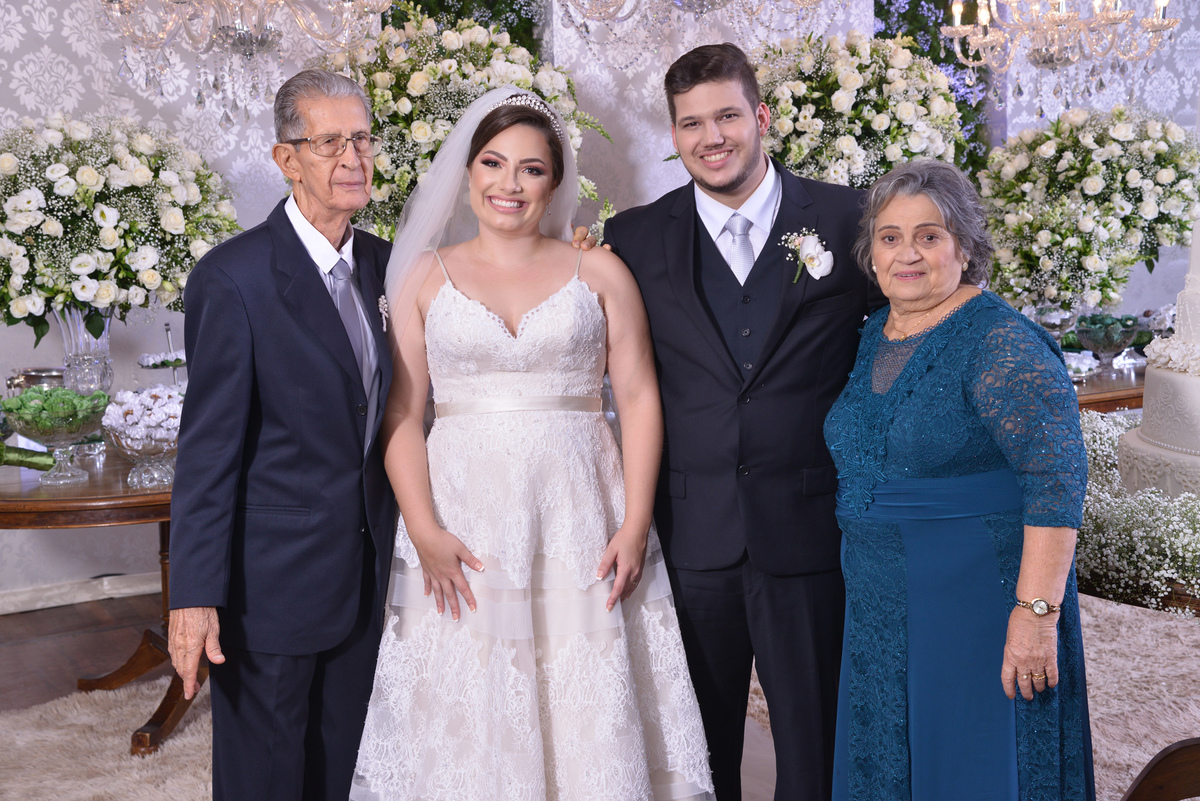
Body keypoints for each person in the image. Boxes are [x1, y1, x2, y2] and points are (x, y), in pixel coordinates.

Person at [349, 86, 714, 801]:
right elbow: (400, 410)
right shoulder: (424, 276)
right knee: (471, 692)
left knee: (585, 689)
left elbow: (638, 398)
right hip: (465, 517)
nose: (509, 184)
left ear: (556, 182)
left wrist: (635, 523)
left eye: (531, 169)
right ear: (467, 171)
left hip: (580, 509)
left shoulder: (600, 270)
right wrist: (422, 527)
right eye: (493, 162)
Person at [586, 43, 882, 801]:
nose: (710, 138)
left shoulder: (852, 218)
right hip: (692, 535)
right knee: (694, 747)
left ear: (762, 117)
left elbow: (910, 329)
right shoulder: (633, 238)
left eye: (726, 116)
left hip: (813, 528)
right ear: (674, 133)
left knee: (816, 748)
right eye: (691, 123)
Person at [823, 159, 1094, 800]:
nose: (906, 254)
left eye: (929, 236)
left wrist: (1034, 616)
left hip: (976, 602)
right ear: (872, 252)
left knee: (974, 766)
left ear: (965, 248)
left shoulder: (1003, 342)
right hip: (884, 602)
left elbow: (1057, 480)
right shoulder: (877, 333)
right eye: (890, 237)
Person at [167, 69, 397, 801]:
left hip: (368, 580)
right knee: (264, 781)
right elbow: (206, 455)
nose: (352, 159)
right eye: (329, 142)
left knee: (342, 773)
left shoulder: (390, 265)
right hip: (267, 590)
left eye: (361, 138)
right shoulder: (233, 278)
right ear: (286, 159)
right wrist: (192, 596)